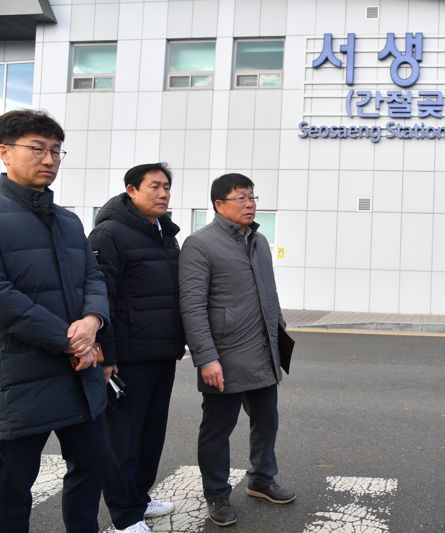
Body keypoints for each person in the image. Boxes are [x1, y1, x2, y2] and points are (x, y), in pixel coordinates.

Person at [0, 109, 110, 532]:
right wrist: (69, 340)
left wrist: (93, 319)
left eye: (56, 150)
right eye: (37, 148)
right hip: (20, 376)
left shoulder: (67, 220)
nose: (49, 159)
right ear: (5, 152)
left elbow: (93, 276)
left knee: (91, 464)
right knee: (12, 487)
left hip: (79, 376)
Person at [179, 173, 294, 527]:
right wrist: (206, 358)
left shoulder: (258, 241)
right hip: (224, 357)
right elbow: (192, 306)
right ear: (219, 204)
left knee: (267, 421)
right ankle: (217, 493)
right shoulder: (200, 244)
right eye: (241, 198)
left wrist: (279, 331)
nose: (250, 204)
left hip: (263, 351)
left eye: (252, 197)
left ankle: (261, 479)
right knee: (217, 430)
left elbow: (269, 292)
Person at [89, 163, 185, 533]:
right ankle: (125, 515)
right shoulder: (109, 234)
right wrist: (107, 355)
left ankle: (140, 498)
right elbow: (100, 296)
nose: (163, 194)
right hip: (128, 357)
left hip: (161, 352)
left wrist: (178, 340)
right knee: (123, 439)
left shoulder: (165, 233)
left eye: (167, 187)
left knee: (151, 435)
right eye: (154, 186)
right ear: (131, 190)